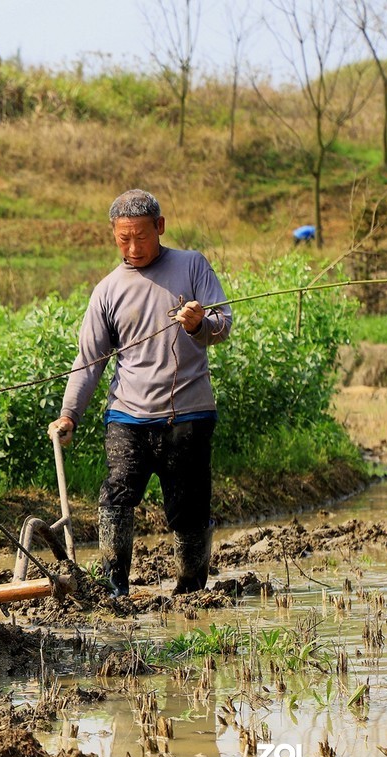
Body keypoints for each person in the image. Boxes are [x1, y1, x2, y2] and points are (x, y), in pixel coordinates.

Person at [48, 189, 232, 597]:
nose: (133, 247)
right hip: (127, 417)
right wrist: (69, 415)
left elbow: (222, 323)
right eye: (123, 239)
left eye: (141, 237)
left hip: (188, 416)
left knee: (190, 508)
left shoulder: (192, 265)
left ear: (160, 228)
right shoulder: (108, 290)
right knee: (115, 496)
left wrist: (198, 324)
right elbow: (89, 359)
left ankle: (191, 591)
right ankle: (115, 589)